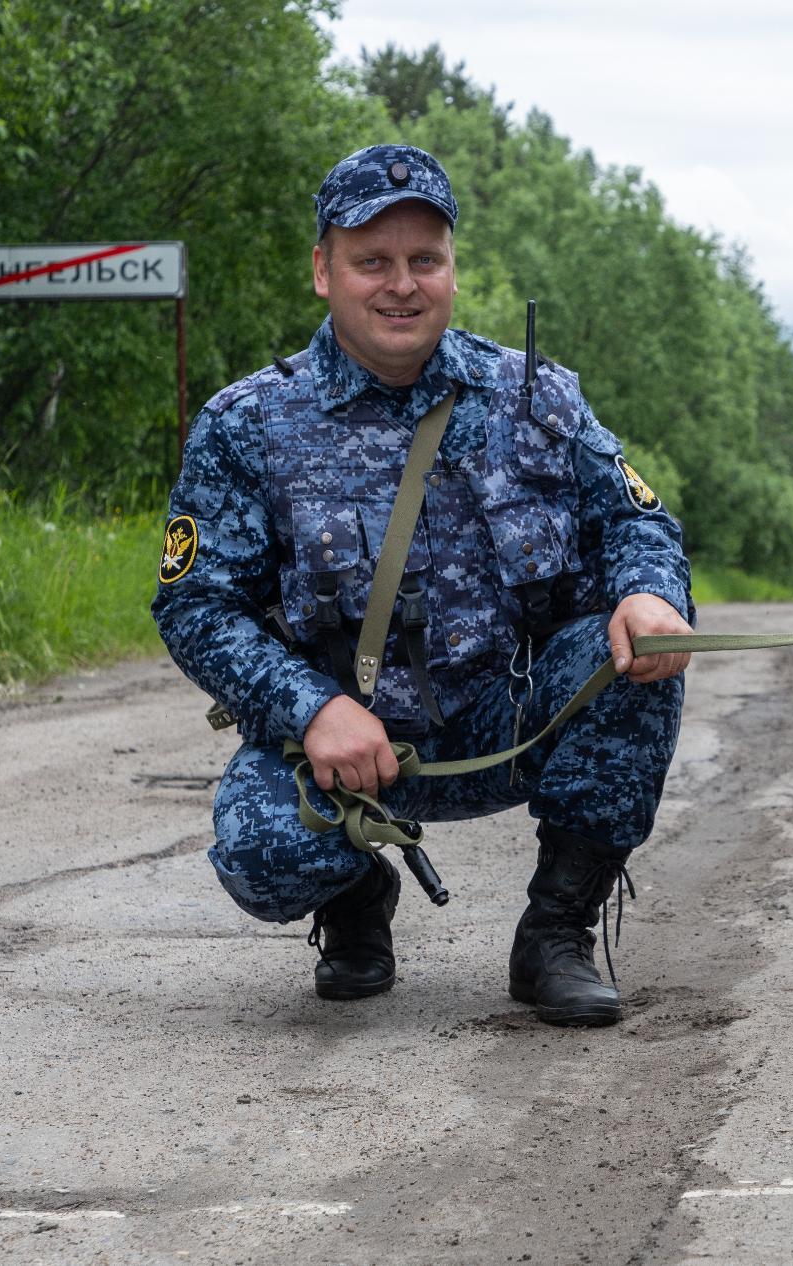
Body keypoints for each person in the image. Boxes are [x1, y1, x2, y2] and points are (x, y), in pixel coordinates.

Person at [152, 144, 694, 1027]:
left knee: (633, 651)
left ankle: (556, 933)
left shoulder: (536, 399)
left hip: (506, 717)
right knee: (262, 853)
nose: (401, 285)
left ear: (450, 269)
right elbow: (194, 604)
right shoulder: (247, 424)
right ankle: (355, 896)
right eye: (372, 261)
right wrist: (309, 709)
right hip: (337, 748)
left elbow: (638, 520)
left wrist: (648, 592)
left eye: (424, 261)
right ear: (324, 271)